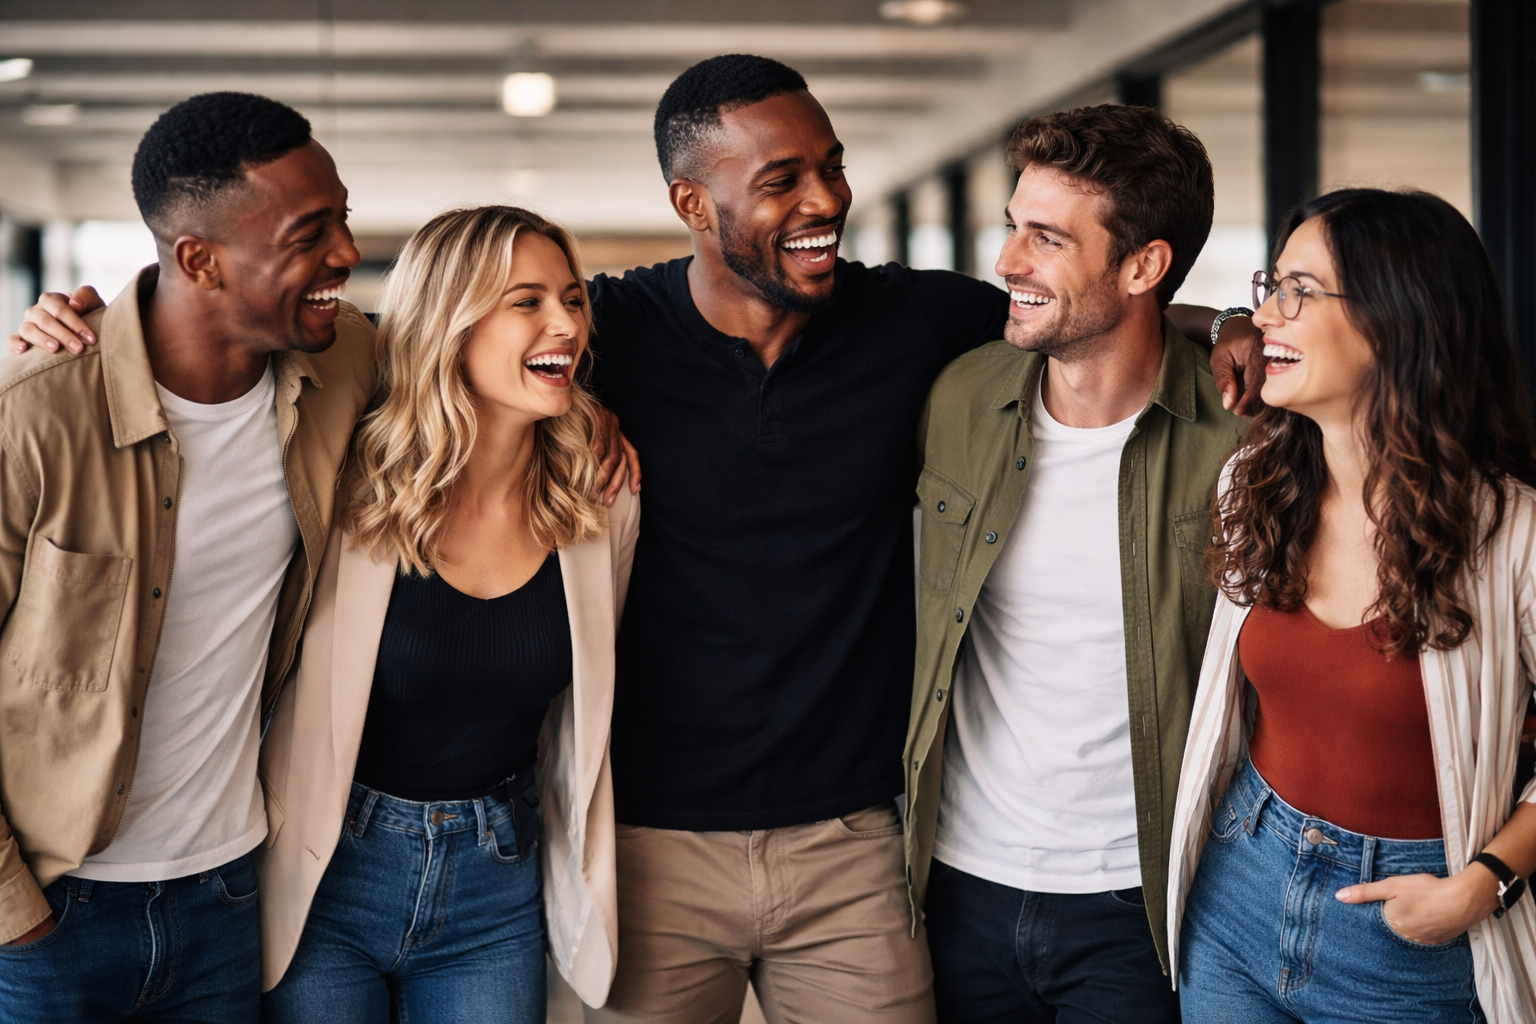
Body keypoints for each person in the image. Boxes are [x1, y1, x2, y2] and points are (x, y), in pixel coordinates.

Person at [16, 58, 1261, 1023]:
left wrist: (1220, 322)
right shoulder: (597, 337)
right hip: (634, 846)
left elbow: (1080, 307)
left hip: (852, 847)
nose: (824, 199)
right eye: (781, 181)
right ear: (691, 202)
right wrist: (82, 329)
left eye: (829, 165)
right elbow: (427, 335)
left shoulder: (920, 326)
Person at [0, 92, 376, 1023]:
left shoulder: (348, 365)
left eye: (345, 220)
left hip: (228, 897)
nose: (345, 255)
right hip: (52, 915)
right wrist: (14, 916)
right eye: (309, 233)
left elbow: (494, 347)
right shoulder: (35, 417)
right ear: (199, 259)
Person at [902, 104, 1244, 1024]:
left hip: (1141, 902)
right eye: (1014, 227)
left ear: (1144, 266)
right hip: (957, 884)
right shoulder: (963, 395)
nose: (1009, 262)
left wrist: (1234, 327)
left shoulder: (1244, 441)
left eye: (1046, 239)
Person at [259, 205, 638, 1022]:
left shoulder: (600, 498)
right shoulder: (345, 478)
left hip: (494, 884)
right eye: (527, 301)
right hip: (331, 872)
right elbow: (214, 334)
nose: (565, 323)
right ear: (449, 323)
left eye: (572, 299)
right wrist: (79, 323)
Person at [1166, 188, 1536, 1024]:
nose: (1265, 313)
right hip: (1238, 890)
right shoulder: (1251, 485)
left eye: (1299, 289)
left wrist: (1484, 883)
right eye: (1271, 284)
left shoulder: (1514, 534)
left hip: (1409, 933)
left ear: (1399, 319)